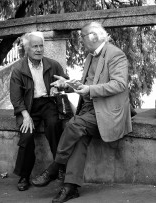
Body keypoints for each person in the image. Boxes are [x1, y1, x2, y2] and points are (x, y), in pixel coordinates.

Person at [31, 22, 133, 203]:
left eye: (82, 36)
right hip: (90, 110)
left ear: (93, 36)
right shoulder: (90, 56)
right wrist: (68, 85)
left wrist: (89, 90)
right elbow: (85, 85)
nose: (81, 40)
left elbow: (119, 84)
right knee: (78, 138)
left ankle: (56, 166)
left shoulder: (115, 54)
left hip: (106, 111)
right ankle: (71, 187)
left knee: (74, 124)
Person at [10, 31, 68, 191]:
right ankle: (24, 175)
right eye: (34, 46)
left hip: (48, 102)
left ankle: (60, 168)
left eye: (41, 46)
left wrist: (65, 84)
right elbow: (15, 98)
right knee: (26, 135)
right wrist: (25, 115)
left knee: (54, 126)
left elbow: (68, 84)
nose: (38, 49)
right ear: (27, 49)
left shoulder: (53, 64)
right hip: (27, 107)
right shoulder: (18, 69)